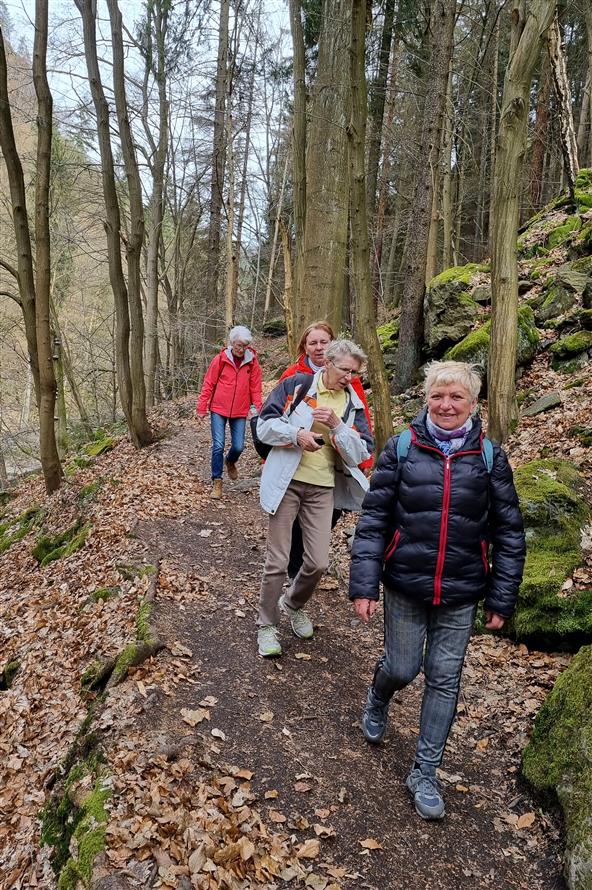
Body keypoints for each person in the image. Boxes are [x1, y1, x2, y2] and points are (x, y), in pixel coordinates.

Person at [349, 360, 525, 821]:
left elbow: (509, 533)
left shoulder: (490, 458)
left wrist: (501, 598)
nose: (446, 405)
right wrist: (364, 584)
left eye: (456, 397)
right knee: (403, 667)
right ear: (427, 399)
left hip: (463, 591)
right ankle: (379, 697)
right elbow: (373, 522)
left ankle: (425, 772)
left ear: (472, 403)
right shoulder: (402, 448)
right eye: (437, 396)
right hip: (406, 584)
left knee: (444, 679)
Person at [256, 339, 374, 657]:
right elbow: (264, 426)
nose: (350, 377)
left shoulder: (353, 405)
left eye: (355, 372)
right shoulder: (297, 385)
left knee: (319, 561)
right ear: (328, 363)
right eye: (345, 370)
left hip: (323, 489)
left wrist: (338, 428)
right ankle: (267, 625)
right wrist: (296, 435)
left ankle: (293, 603)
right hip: (288, 482)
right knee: (277, 562)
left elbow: (363, 452)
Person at [278, 322, 374, 579]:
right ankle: (292, 569)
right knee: (294, 523)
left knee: (325, 518)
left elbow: (362, 427)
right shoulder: (293, 376)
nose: (319, 347)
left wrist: (362, 464)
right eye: (313, 342)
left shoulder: (350, 384)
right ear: (305, 347)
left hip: (333, 470)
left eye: (324, 342)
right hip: (295, 464)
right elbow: (275, 418)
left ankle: (305, 567)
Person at [196, 325, 262, 499]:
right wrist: (202, 406)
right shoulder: (220, 359)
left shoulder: (253, 362)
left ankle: (230, 461)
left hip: (240, 410)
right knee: (218, 445)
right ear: (232, 343)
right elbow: (209, 383)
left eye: (245, 346)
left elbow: (255, 387)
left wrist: (257, 407)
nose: (241, 349)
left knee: (239, 446)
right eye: (239, 345)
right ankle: (217, 482)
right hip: (218, 408)